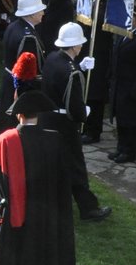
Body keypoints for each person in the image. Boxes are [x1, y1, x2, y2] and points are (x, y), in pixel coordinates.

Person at [0, 90, 75, 265]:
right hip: (45, 220)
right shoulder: (54, 140)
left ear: (19, 115)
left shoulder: (7, 141)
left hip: (16, 220)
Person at [39, 22, 112, 222]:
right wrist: (84, 113)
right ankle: (88, 208)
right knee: (76, 167)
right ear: (74, 46)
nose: (81, 47)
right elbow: (75, 106)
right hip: (64, 124)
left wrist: (79, 68)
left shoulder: (53, 59)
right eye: (79, 44)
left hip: (47, 118)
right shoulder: (71, 72)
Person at [0, 0, 47, 139]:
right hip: (20, 84)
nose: (43, 12)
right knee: (14, 125)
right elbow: (29, 70)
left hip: (9, 77)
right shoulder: (28, 38)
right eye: (39, 10)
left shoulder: (14, 26)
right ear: (31, 13)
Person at [108, 12, 136, 164]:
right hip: (121, 85)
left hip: (132, 87)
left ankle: (129, 151)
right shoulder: (124, 34)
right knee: (121, 119)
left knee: (131, 122)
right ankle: (121, 147)